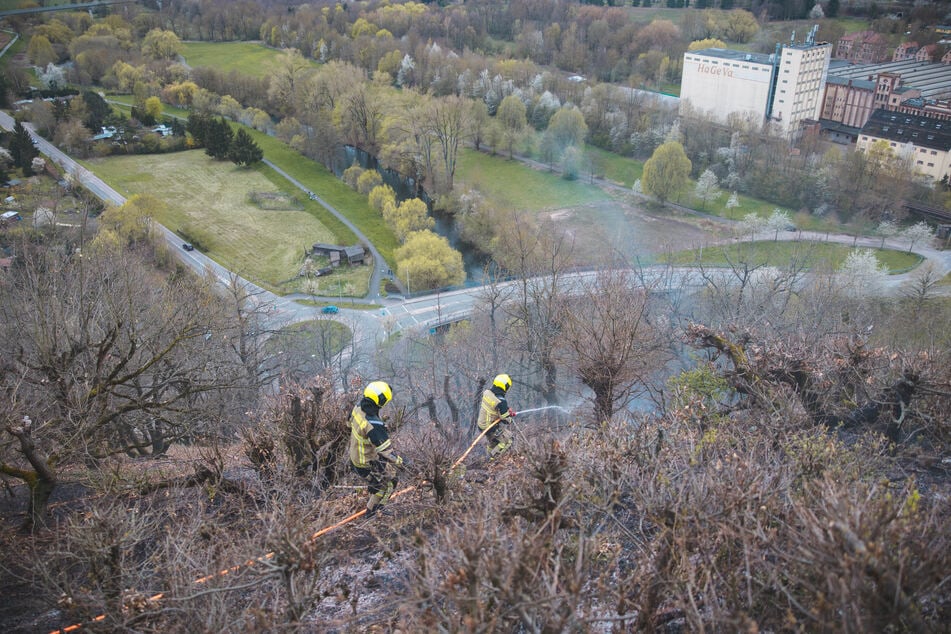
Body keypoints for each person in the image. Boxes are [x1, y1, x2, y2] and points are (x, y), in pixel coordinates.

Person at [349, 381, 404, 516]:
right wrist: (403, 462)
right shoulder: (373, 423)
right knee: (389, 482)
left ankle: (375, 509)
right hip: (366, 463)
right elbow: (386, 452)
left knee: (382, 481)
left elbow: (348, 423)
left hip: (356, 456)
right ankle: (373, 513)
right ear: (382, 400)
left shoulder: (358, 408)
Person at [479, 374, 517, 458]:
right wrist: (510, 417)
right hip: (490, 427)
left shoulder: (487, 393)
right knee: (509, 440)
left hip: (482, 424)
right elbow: (505, 420)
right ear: (505, 386)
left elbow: (495, 406)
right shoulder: (501, 401)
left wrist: (506, 409)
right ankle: (492, 458)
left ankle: (488, 457)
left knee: (494, 442)